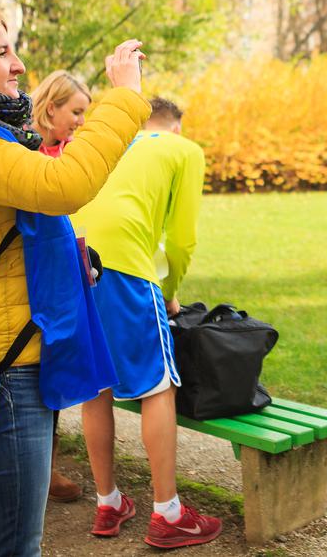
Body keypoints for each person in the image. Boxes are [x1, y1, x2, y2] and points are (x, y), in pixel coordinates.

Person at [0, 0, 150, 556]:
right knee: (12, 547)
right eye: (2, 51)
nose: (18, 65)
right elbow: (65, 185)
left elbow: (1, 234)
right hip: (9, 375)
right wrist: (126, 100)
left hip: (8, 361)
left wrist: (65, 258)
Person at [71, 97, 220, 549]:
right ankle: (168, 513)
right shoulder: (183, 150)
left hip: (76, 261)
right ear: (174, 127)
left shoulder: (109, 141)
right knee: (159, 386)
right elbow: (182, 239)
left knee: (98, 384)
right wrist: (171, 291)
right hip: (126, 269)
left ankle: (108, 501)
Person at [29, 69, 94, 502]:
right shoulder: (24, 152)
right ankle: (35, 471)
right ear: (50, 108)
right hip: (31, 279)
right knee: (30, 371)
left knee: (51, 370)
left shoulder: (72, 154)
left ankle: (44, 469)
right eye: (76, 111)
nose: (81, 121)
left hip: (67, 270)